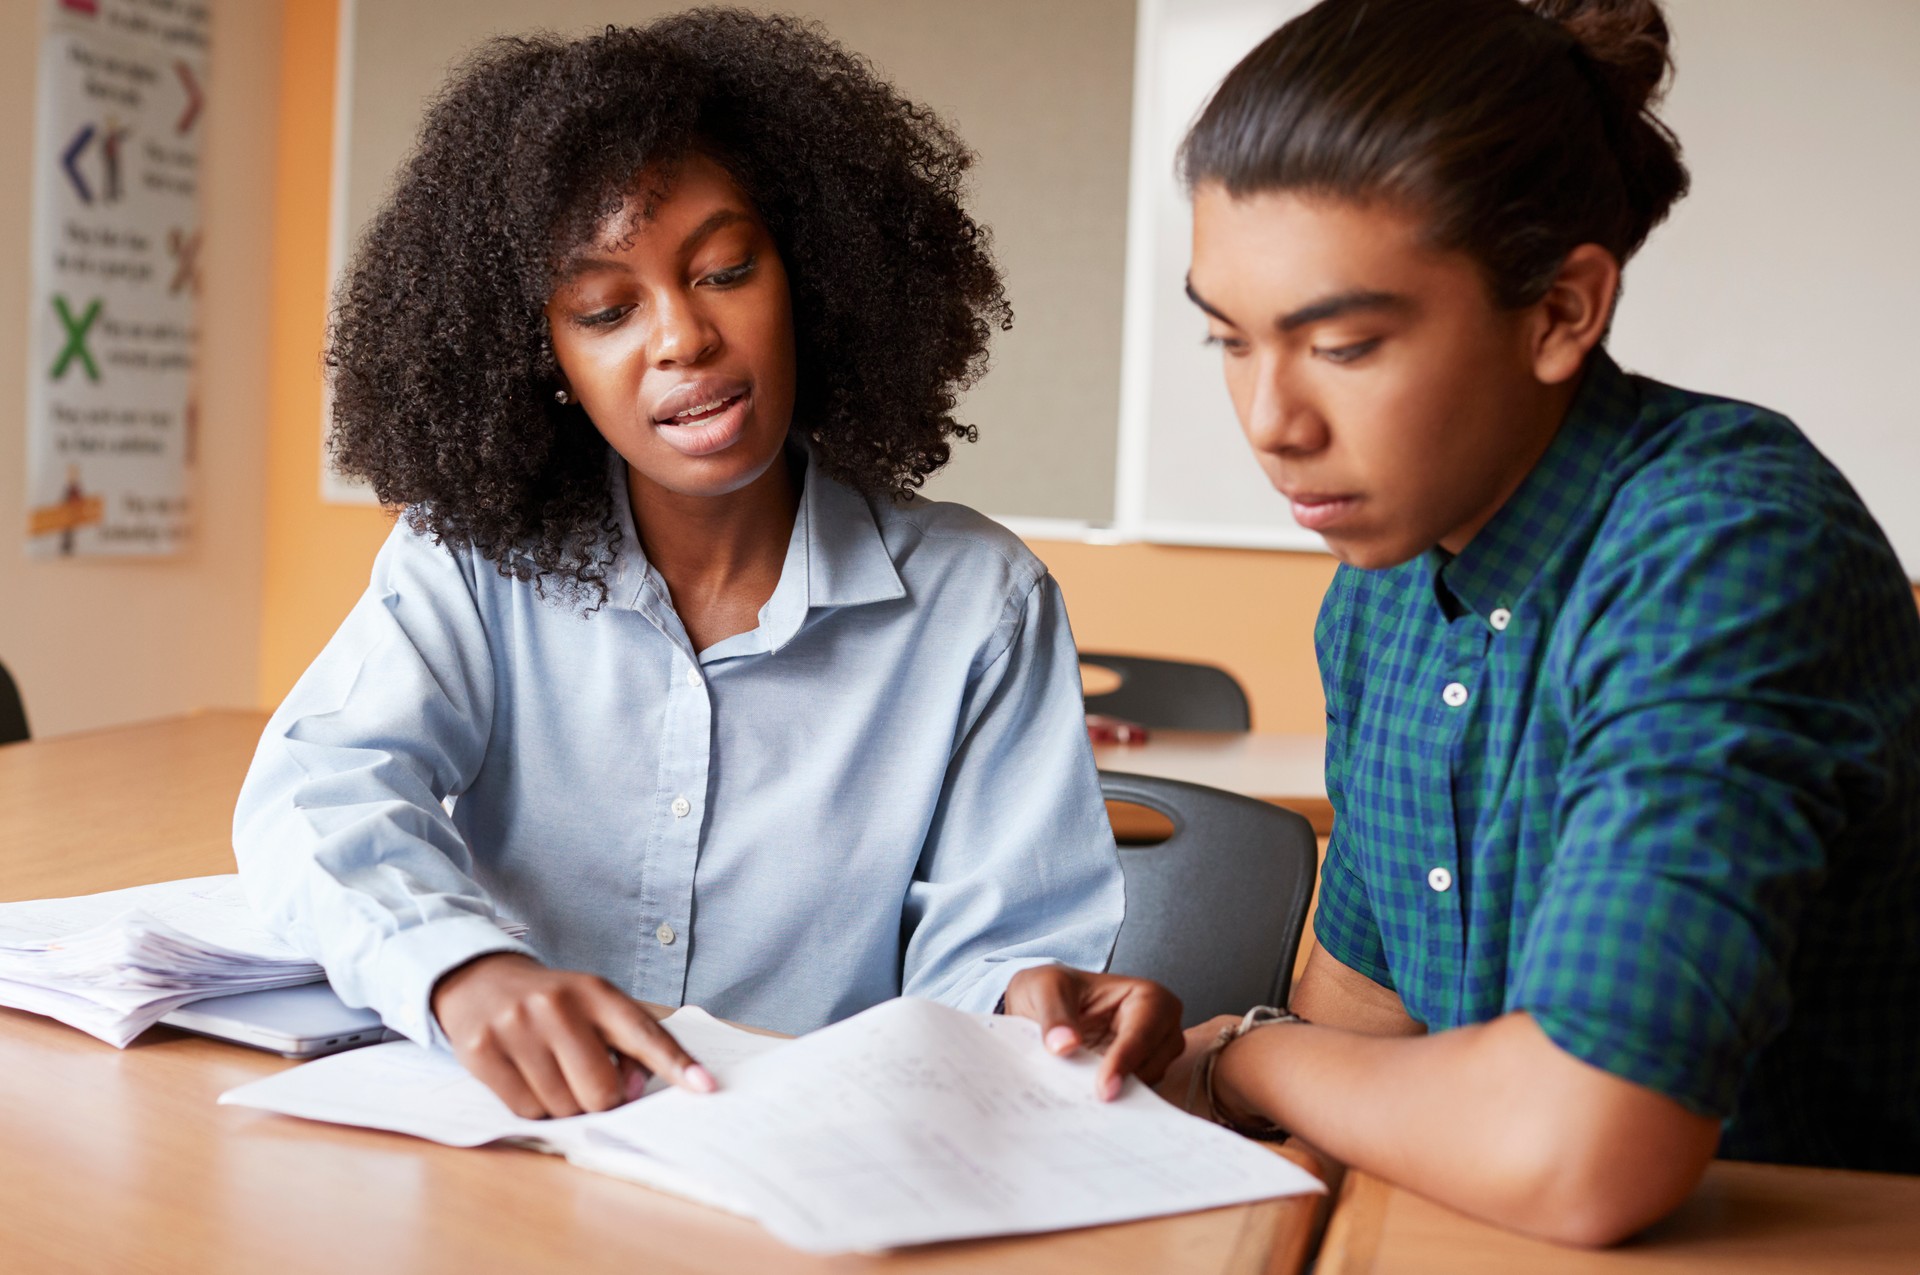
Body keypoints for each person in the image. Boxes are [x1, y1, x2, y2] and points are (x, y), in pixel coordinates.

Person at [234, 10, 1181, 1121]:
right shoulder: (470, 563)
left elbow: (992, 960)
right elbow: (320, 791)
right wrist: (456, 967)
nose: (681, 337)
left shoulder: (980, 604)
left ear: (814, 279)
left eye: (725, 269)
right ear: (545, 357)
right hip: (515, 1150)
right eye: (605, 308)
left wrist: (1031, 1001)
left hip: (810, 1171)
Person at [1162, 0, 1920, 1246]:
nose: (1269, 420)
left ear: (1565, 310)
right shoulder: (1379, 590)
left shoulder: (1725, 548)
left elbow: (1585, 1148)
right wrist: (1192, 1064)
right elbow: (1364, 1024)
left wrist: (1240, 1059)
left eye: (1342, 345)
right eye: (1226, 339)